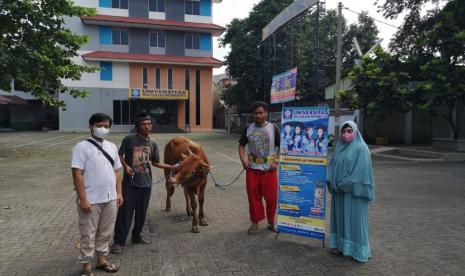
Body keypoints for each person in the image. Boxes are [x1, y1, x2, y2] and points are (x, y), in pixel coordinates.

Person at [111, 113, 177, 254]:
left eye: (149, 124)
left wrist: (172, 167)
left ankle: (136, 237)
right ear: (138, 127)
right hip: (130, 184)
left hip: (146, 184)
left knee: (141, 214)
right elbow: (119, 155)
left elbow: (156, 162)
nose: (147, 126)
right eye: (143, 124)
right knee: (125, 214)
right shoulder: (129, 139)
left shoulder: (152, 144)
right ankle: (118, 242)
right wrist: (126, 166)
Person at [71, 113, 123, 275]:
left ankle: (102, 260)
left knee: (106, 232)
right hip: (91, 200)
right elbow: (77, 173)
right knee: (88, 233)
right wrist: (83, 199)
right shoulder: (81, 147)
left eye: (107, 127)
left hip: (110, 198)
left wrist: (119, 193)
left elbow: (117, 171)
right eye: (100, 125)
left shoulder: (112, 146)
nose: (103, 129)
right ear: (91, 126)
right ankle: (86, 266)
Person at [327, 121, 375, 263]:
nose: (346, 134)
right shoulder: (339, 147)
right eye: (343, 131)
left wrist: (344, 185)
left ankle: (357, 250)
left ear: (355, 132)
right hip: (339, 193)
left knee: (355, 222)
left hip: (354, 193)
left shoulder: (361, 148)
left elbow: (361, 173)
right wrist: (331, 181)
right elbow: (332, 165)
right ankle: (340, 246)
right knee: (340, 220)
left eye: (349, 131)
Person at [238, 101, 280, 234]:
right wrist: (243, 160)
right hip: (252, 170)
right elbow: (241, 146)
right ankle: (255, 223)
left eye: (261, 112)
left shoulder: (273, 128)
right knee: (253, 198)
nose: (258, 115)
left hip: (269, 170)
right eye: (256, 113)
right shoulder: (248, 129)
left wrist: (276, 161)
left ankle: (271, 222)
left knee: (272, 198)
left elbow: (281, 146)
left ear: (266, 113)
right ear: (252, 115)